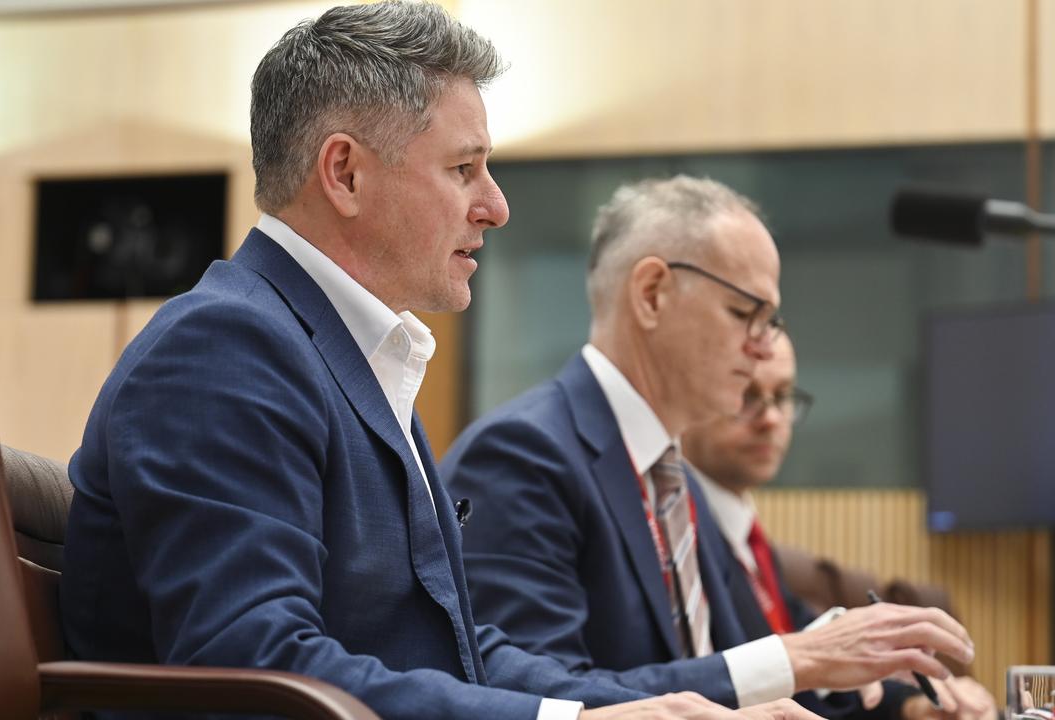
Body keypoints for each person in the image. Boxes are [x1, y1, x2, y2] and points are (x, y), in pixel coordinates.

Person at [59, 4, 819, 720]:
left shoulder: (339, 355)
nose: (496, 205)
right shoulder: (226, 349)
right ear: (346, 174)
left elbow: (462, 654)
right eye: (465, 170)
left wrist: (612, 713)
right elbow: (255, 665)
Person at [442, 176, 977, 715]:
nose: (763, 345)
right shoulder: (523, 454)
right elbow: (533, 698)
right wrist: (797, 655)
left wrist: (910, 709)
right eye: (746, 313)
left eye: (772, 322)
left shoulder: (675, 477)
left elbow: (748, 656)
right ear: (652, 294)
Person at [681, 333, 998, 720]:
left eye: (782, 396)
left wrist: (912, 706)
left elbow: (814, 678)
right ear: (692, 397)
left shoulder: (748, 537)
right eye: (747, 396)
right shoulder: (677, 533)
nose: (771, 418)